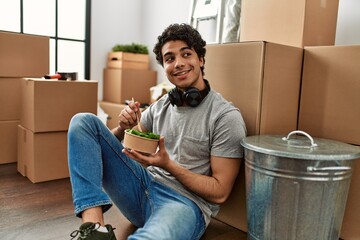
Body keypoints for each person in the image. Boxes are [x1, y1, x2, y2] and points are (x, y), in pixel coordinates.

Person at [68, 23, 247, 240]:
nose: (178, 63)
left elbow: (220, 192)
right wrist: (123, 128)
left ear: (201, 59)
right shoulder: (161, 106)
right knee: (83, 122)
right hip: (141, 187)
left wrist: (167, 164)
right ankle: (95, 231)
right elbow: (126, 149)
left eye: (186, 54)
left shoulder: (225, 117)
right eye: (170, 58)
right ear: (164, 65)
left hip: (183, 204)